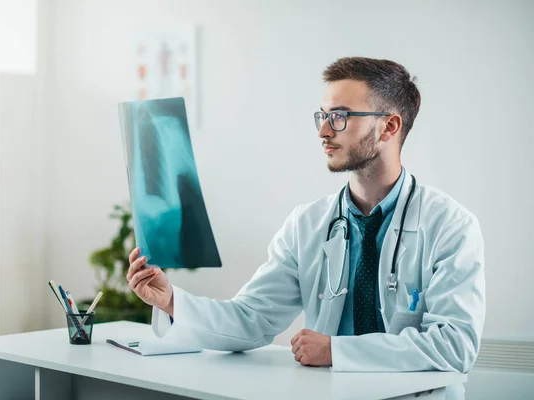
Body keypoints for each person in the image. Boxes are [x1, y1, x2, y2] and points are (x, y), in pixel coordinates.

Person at [126, 57, 485, 400]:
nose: (323, 131)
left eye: (340, 117)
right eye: (323, 116)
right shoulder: (306, 224)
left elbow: (455, 346)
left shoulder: (449, 226)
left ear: (389, 126)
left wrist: (338, 351)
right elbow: (252, 319)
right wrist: (171, 300)